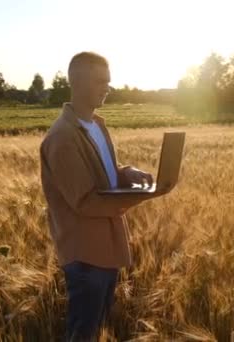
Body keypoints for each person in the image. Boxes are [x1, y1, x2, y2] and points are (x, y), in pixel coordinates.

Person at [39, 51, 163, 341]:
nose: (107, 87)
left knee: (101, 328)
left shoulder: (96, 125)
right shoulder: (62, 138)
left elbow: (102, 174)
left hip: (108, 248)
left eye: (108, 81)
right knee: (84, 334)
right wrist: (144, 196)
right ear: (78, 83)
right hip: (85, 255)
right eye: (100, 81)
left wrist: (126, 173)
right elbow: (85, 201)